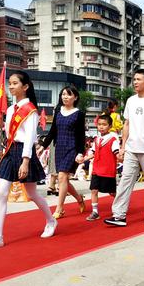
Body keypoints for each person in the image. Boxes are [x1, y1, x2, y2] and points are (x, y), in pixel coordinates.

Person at [0, 71, 57, 249]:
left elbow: (30, 137)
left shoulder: (31, 110)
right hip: (10, 150)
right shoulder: (10, 109)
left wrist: (26, 161)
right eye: (10, 83)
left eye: (15, 83)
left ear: (25, 87)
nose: (11, 86)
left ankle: (51, 221)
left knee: (32, 194)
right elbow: (9, 133)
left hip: (24, 152)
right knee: (2, 193)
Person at [104, 69, 144, 226]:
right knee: (125, 180)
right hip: (131, 147)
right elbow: (127, 124)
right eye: (134, 79)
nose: (135, 82)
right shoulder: (131, 100)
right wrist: (123, 145)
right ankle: (119, 215)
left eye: (138, 79)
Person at [39, 86, 87, 219]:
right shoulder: (58, 111)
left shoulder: (79, 114)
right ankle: (79, 199)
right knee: (63, 179)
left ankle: (60, 209)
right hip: (59, 147)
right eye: (63, 94)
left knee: (61, 177)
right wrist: (44, 145)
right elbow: (53, 130)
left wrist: (80, 152)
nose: (65, 97)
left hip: (72, 148)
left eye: (68, 94)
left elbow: (81, 135)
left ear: (75, 97)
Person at [85, 115, 119, 221]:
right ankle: (95, 212)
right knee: (94, 190)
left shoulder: (113, 139)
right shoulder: (97, 139)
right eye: (99, 124)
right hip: (96, 169)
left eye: (104, 125)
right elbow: (94, 153)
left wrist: (122, 158)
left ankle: (121, 204)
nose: (101, 127)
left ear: (110, 126)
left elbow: (117, 153)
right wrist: (84, 159)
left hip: (108, 170)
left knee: (112, 193)